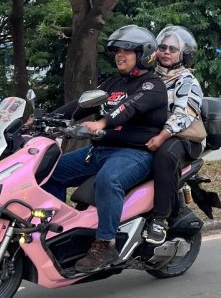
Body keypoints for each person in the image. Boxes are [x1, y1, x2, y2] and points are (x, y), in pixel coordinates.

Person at [43, 25, 168, 272]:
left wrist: (102, 122)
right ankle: (57, 232)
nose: (119, 55)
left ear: (144, 54)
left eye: (127, 51)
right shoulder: (113, 83)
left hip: (134, 153)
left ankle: (105, 244)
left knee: (108, 180)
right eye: (117, 51)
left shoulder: (152, 85)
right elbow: (80, 105)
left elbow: (128, 108)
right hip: (99, 150)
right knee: (50, 172)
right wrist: (45, 119)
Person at [142, 25, 206, 244]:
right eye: (162, 47)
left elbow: (183, 115)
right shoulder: (149, 77)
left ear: (183, 54)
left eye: (173, 48)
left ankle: (159, 220)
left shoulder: (187, 81)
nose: (166, 52)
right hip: (153, 133)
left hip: (182, 138)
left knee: (164, 156)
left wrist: (162, 135)